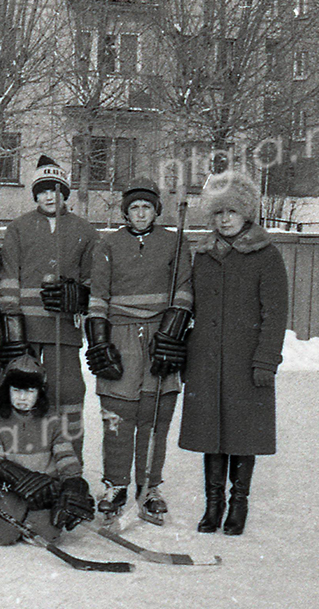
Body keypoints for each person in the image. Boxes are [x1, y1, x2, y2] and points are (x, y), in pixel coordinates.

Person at [179, 170, 287, 536]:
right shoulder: (204, 256)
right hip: (207, 360)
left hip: (246, 362)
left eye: (232, 212)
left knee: (242, 434)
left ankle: (238, 504)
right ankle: (214, 505)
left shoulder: (266, 257)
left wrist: (265, 361)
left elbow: (275, 315)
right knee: (212, 432)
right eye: (218, 213)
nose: (225, 219)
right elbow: (189, 306)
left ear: (247, 215)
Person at [84, 177, 192, 525]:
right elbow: (98, 296)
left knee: (155, 415)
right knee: (117, 416)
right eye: (135, 207)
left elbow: (184, 291)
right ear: (126, 212)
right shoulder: (108, 245)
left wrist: (172, 334)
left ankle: (149, 488)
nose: (141, 213)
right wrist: (100, 341)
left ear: (156, 210)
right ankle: (115, 486)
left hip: (161, 337)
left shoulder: (175, 244)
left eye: (147, 207)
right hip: (121, 335)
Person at [0, 156, 97, 461]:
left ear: (65, 192)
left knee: (67, 395)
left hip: (62, 328)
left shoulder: (84, 230)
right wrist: (12, 326)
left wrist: (81, 295)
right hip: (24, 331)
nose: (49, 196)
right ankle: (18, 459)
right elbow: (8, 276)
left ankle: (69, 465)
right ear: (35, 194)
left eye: (55, 189)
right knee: (20, 393)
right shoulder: (18, 227)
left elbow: (93, 280)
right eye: (42, 190)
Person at [0, 356, 94, 545]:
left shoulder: (53, 420)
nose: (22, 398)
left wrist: (73, 482)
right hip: (11, 487)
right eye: (16, 391)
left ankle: (33, 519)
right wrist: (16, 475)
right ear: (7, 391)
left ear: (40, 392)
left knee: (46, 535)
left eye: (30, 391)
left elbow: (65, 456)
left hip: (44, 489)